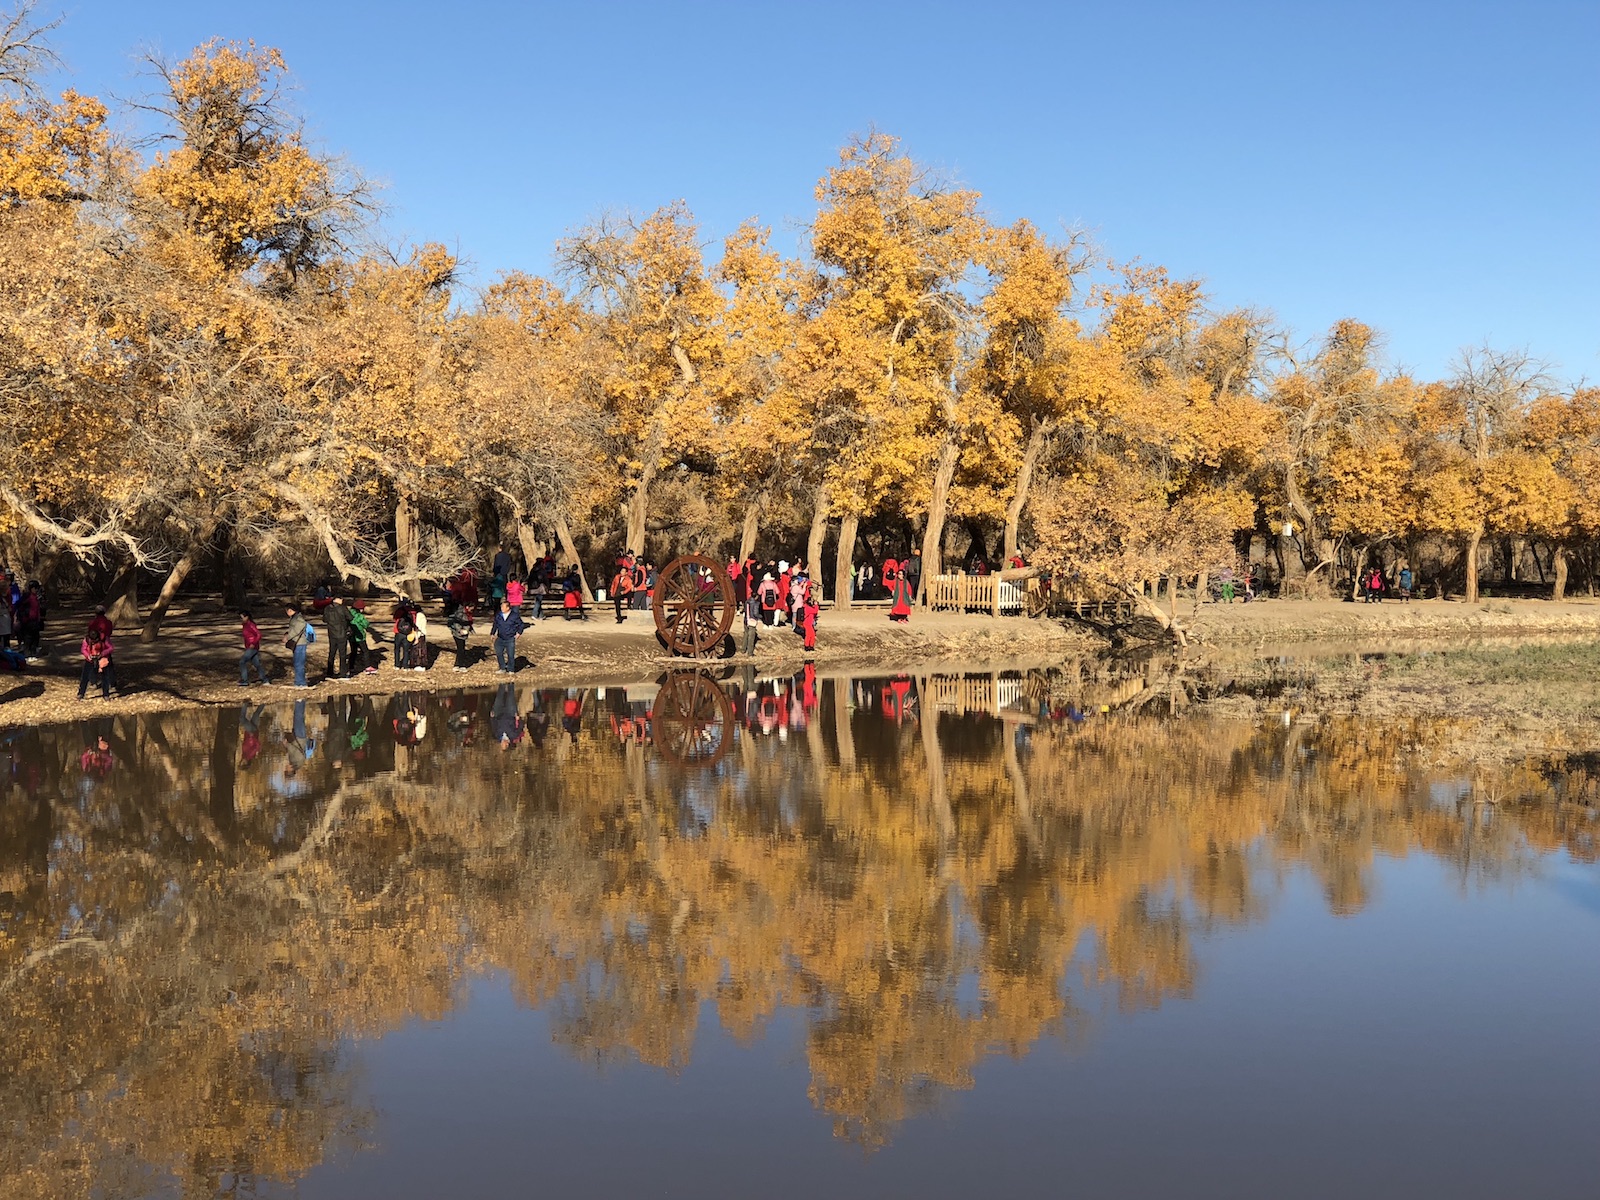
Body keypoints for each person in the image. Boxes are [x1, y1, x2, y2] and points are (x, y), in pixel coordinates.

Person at [77, 629, 115, 700]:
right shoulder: (87, 640)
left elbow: (111, 648)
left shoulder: (104, 638)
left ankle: (106, 694)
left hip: (102, 660)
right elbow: (83, 649)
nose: (94, 642)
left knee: (105, 677)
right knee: (85, 677)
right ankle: (81, 693)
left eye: (96, 640)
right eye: (92, 641)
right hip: (90, 660)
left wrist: (102, 654)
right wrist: (88, 655)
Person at [490, 597, 523, 674]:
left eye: (503, 607)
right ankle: (502, 668)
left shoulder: (514, 615)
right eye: (501, 607)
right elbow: (495, 624)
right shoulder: (499, 615)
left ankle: (511, 669)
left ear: (508, 608)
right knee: (499, 653)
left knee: (510, 655)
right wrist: (492, 633)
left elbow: (521, 624)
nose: (501, 608)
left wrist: (519, 633)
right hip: (500, 637)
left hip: (510, 638)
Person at [284, 604, 314, 688]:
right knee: (297, 663)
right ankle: (298, 682)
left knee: (299, 663)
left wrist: (288, 636)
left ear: (290, 610)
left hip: (300, 643)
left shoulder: (298, 618)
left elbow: (298, 628)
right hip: (297, 643)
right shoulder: (294, 618)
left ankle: (301, 683)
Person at [323, 596, 351, 680]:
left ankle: (329, 672)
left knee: (332, 653)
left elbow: (324, 619)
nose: (342, 600)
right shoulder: (342, 608)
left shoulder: (327, 608)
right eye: (341, 599)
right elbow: (350, 617)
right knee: (342, 654)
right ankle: (342, 673)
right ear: (337, 599)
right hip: (341, 633)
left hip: (331, 633)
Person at [239, 611, 267, 685]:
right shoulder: (245, 625)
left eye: (243, 617)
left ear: (247, 617)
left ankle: (244, 680)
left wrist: (253, 643)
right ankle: (265, 679)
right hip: (249, 647)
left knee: (242, 662)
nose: (242, 619)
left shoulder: (250, 625)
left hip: (252, 647)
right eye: (241, 618)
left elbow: (258, 634)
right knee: (257, 664)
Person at [447, 598, 475, 671]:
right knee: (461, 649)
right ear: (467, 607)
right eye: (471, 609)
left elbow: (468, 623)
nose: (472, 610)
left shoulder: (468, 614)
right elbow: (456, 623)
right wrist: (460, 630)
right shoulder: (460, 613)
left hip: (463, 634)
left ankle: (459, 665)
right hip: (458, 634)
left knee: (461, 649)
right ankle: (459, 665)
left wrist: (470, 629)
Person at [800, 582, 820, 652]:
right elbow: (815, 611)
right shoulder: (808, 608)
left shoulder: (807, 607)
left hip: (809, 623)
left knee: (812, 634)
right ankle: (807, 646)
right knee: (809, 635)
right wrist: (816, 605)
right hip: (807, 623)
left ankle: (811, 646)